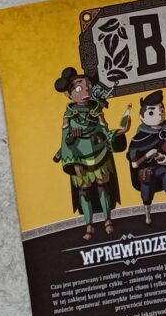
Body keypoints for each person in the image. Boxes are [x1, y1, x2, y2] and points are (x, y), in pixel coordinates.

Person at [53, 67, 130, 240]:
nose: (86, 91)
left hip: (99, 152)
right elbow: (65, 139)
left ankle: (108, 220)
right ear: (68, 94)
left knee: (103, 186)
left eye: (88, 86)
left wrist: (120, 131)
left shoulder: (97, 110)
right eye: (79, 88)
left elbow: (105, 131)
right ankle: (89, 225)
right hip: (79, 156)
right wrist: (73, 162)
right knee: (84, 190)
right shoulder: (69, 115)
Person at [127, 91, 166, 223]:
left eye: (161, 110)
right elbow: (134, 164)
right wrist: (147, 155)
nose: (159, 114)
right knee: (146, 183)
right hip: (147, 169)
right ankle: (147, 214)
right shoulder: (138, 139)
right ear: (142, 117)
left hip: (163, 166)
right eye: (152, 112)